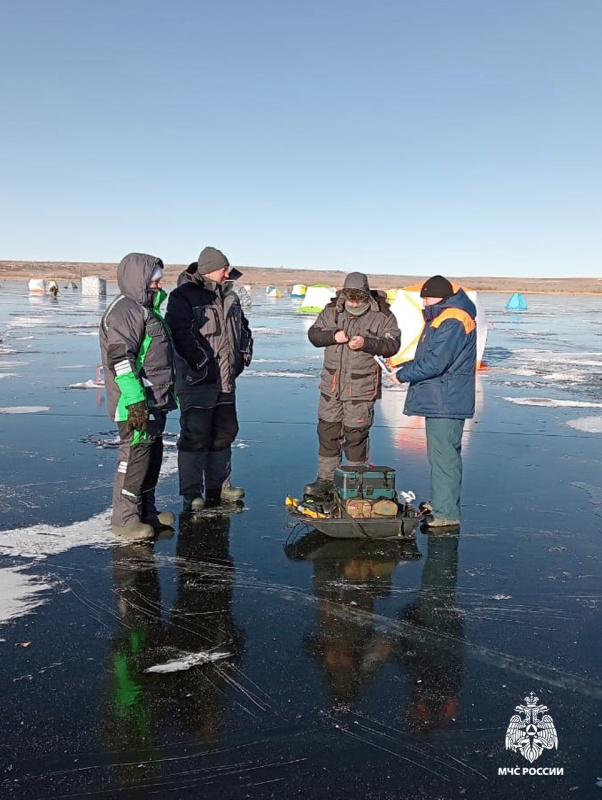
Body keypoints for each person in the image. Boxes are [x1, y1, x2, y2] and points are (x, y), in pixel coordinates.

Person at [165, 246, 253, 512]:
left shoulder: (230, 296)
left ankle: (221, 488)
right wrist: (201, 363)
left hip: (226, 380)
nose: (228, 272)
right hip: (197, 381)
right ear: (209, 269)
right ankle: (191, 493)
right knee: (195, 436)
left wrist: (244, 354)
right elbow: (179, 333)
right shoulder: (183, 297)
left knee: (224, 434)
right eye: (223, 268)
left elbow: (244, 329)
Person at [99, 253, 177, 540]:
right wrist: (135, 400)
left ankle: (146, 510)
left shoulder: (146, 310)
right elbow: (120, 358)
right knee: (133, 457)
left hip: (155, 399)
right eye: (155, 279)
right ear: (140, 280)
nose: (160, 284)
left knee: (151, 456)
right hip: (136, 402)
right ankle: (125, 518)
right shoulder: (125, 311)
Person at [391, 275, 476, 527]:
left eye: (427, 297)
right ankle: (441, 502)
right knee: (442, 455)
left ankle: (446, 513)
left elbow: (436, 363)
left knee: (444, 457)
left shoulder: (453, 319)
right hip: (442, 397)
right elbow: (431, 356)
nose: (424, 302)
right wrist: (401, 364)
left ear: (440, 296)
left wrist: (403, 375)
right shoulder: (444, 316)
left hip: (446, 399)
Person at [305, 272, 401, 497]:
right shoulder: (331, 311)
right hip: (331, 386)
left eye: (359, 298)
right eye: (350, 298)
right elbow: (314, 335)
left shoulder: (383, 315)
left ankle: (354, 481)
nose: (354, 303)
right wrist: (333, 336)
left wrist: (368, 343)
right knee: (327, 433)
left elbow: (392, 344)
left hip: (361, 387)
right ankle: (326, 481)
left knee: (356, 435)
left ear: (366, 296)